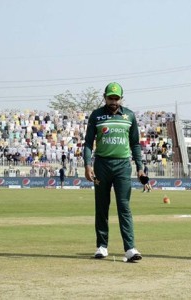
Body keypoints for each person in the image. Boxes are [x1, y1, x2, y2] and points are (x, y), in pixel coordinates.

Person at [83, 82, 145, 262]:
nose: (113, 101)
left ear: (121, 99)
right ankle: (102, 246)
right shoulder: (96, 115)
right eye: (111, 98)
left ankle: (130, 248)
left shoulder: (129, 116)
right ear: (104, 97)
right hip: (101, 165)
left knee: (124, 207)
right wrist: (88, 165)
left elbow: (135, 144)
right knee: (101, 207)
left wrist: (140, 167)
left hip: (123, 166)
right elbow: (88, 142)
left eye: (117, 98)